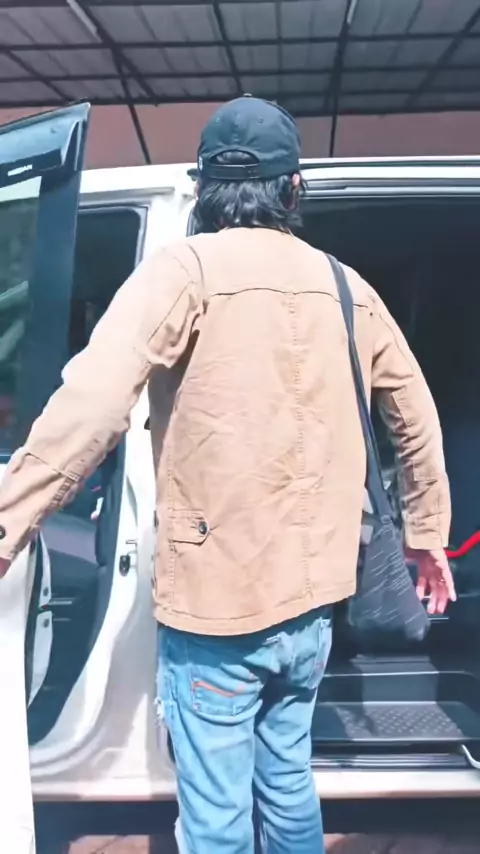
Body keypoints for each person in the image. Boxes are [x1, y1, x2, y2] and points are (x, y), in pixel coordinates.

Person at [0, 97, 455, 853]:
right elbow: (415, 416)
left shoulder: (182, 272)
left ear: (205, 188)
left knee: (216, 816)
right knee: (287, 784)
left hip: (218, 611)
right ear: (293, 188)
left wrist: (10, 522)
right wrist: (427, 535)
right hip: (313, 603)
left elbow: (91, 405)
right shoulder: (346, 286)